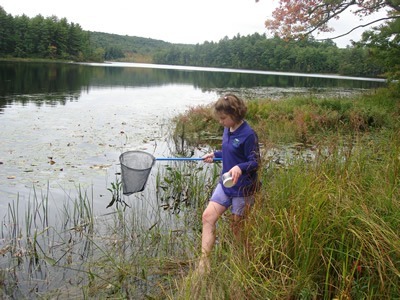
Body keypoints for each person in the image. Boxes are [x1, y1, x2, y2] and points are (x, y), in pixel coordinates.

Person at [197, 93, 260, 275]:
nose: (221, 122)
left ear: (235, 114)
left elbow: (255, 162)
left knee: (237, 229)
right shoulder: (228, 129)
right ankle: (204, 263)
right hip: (226, 183)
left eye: (223, 118)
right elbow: (228, 150)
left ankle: (245, 263)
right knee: (207, 217)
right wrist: (215, 155)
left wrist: (240, 167)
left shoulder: (249, 135)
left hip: (243, 189)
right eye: (220, 118)